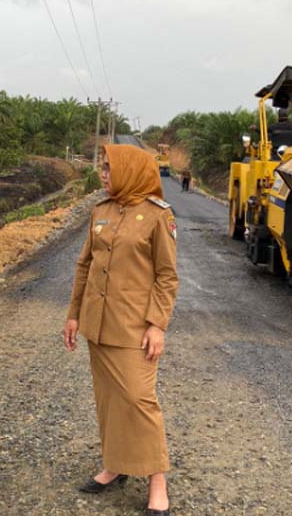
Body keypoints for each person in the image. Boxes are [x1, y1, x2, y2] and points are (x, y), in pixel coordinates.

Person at [64, 144, 178, 516]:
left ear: (130, 170)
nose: (103, 174)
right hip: (98, 323)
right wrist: (74, 315)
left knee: (138, 401)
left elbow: (166, 276)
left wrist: (157, 324)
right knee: (109, 399)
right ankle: (115, 465)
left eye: (110, 168)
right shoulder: (102, 210)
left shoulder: (159, 215)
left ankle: (157, 480)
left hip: (134, 327)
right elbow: (84, 266)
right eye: (102, 168)